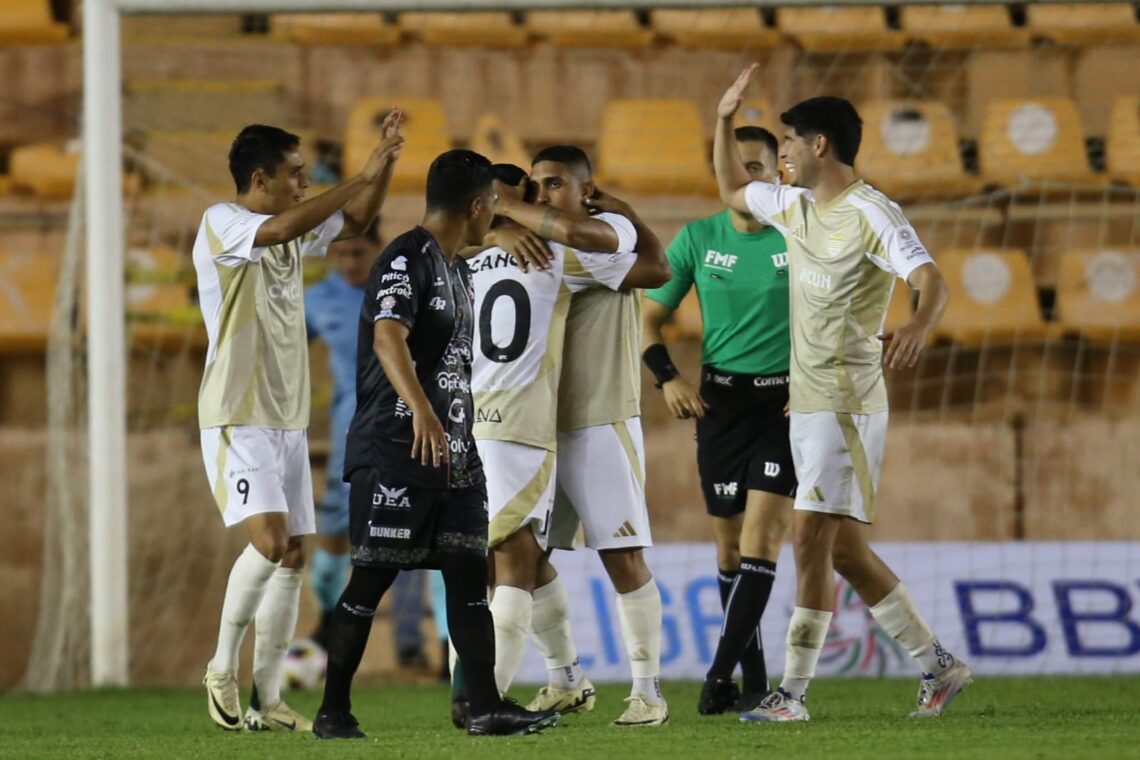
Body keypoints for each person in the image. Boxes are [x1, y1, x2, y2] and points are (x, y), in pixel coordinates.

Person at [713, 65, 970, 722]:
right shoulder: (794, 204)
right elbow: (732, 188)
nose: (783, 155)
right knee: (846, 551)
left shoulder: (872, 213)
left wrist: (916, 322)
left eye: (790, 141)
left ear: (819, 145)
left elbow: (932, 280)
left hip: (847, 404)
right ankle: (939, 666)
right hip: (811, 401)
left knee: (809, 538)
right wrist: (720, 120)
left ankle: (792, 695)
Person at [312, 149, 559, 739]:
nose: (496, 213)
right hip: (397, 447)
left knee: (469, 581)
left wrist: (450, 429)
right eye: (492, 205)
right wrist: (422, 412)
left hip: (455, 452)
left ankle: (485, 706)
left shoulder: (454, 265)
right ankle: (333, 710)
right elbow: (387, 337)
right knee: (371, 580)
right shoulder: (405, 258)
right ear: (476, 205)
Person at [194, 112, 404, 732]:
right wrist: (358, 174)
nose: (303, 185)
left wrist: (383, 167)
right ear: (260, 178)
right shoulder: (223, 222)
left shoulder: (290, 232)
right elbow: (284, 222)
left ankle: (270, 695)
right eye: (295, 175)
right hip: (238, 410)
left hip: (286, 416)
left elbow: (358, 221)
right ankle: (219, 668)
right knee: (268, 541)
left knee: (292, 558)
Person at [468, 163, 670, 717]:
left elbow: (657, 268)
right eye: (537, 184)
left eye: (554, 183)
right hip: (541, 424)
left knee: (621, 555)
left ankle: (648, 692)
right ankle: (564, 679)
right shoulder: (537, 247)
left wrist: (629, 212)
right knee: (529, 558)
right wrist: (501, 227)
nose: (542, 193)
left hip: (601, 415)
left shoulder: (601, 237)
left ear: (586, 188)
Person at [641, 126, 794, 715]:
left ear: (779, 174)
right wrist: (668, 378)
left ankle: (717, 673)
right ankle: (752, 682)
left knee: (762, 538)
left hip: (783, 406)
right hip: (721, 405)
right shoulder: (699, 238)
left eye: (759, 167)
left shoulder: (799, 234)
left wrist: (815, 377)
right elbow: (649, 320)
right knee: (729, 550)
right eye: (739, 167)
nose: (749, 178)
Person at [305, 222, 431, 668]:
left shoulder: (406, 284)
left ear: (377, 247)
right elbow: (286, 349)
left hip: (415, 419)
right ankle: (325, 619)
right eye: (340, 255)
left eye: (358, 253)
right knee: (338, 526)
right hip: (351, 428)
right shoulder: (318, 300)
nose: (349, 263)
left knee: (427, 523)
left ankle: (426, 644)